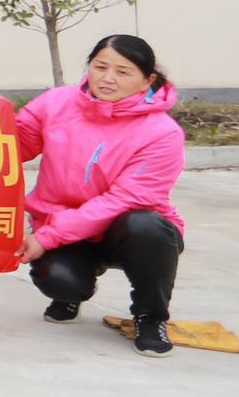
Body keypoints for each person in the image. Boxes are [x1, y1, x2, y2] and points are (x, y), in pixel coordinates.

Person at [18, 34, 188, 358]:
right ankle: (74, 290)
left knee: (146, 227)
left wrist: (47, 237)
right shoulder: (56, 103)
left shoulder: (162, 134)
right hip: (67, 225)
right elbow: (14, 144)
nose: (108, 78)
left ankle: (150, 317)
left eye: (122, 72)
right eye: (100, 67)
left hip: (127, 231)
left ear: (147, 80)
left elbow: (123, 200)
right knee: (58, 280)